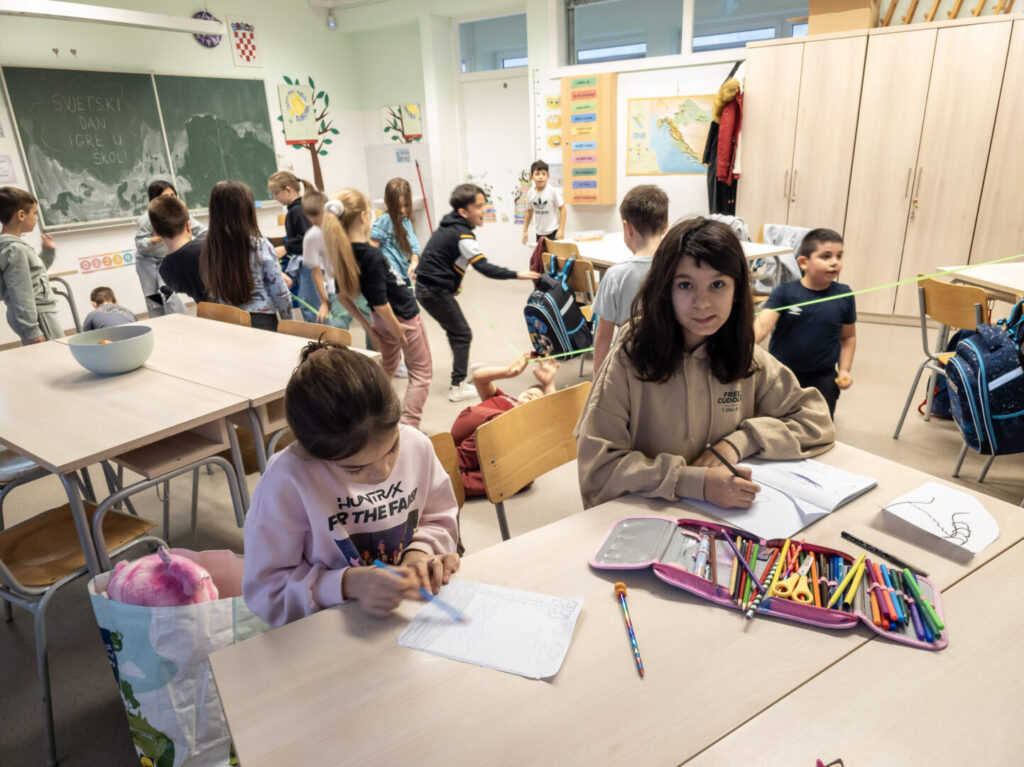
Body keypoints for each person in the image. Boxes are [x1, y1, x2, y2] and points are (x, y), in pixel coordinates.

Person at [575, 217, 835, 510]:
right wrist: (694, 482)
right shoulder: (630, 356)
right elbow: (597, 469)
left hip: (723, 519)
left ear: (737, 291)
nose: (702, 303)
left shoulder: (743, 355)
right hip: (649, 515)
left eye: (718, 284)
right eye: (685, 285)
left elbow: (815, 420)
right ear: (665, 289)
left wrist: (740, 442)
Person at [242, 341, 460, 627]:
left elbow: (439, 519)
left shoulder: (416, 445)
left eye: (393, 448)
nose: (383, 473)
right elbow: (266, 592)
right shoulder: (288, 478)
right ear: (312, 451)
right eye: (355, 469)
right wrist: (346, 584)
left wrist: (420, 552)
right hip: (327, 630)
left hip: (404, 620)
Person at [416, 183, 540, 402]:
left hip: (430, 288)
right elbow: (483, 267)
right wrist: (517, 274)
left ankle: (461, 372)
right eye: (479, 206)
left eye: (485, 204)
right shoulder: (463, 235)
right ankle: (457, 386)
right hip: (433, 291)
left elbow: (445, 259)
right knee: (462, 334)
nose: (485, 210)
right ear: (463, 212)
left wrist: (453, 283)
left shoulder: (450, 226)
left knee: (456, 331)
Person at [323, 188, 432, 427]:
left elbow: (342, 296)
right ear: (363, 217)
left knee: (387, 368)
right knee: (421, 374)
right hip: (402, 320)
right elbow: (381, 303)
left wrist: (369, 327)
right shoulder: (370, 255)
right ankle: (409, 427)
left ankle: (376, 418)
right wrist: (397, 328)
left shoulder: (345, 253)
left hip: (381, 322)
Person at [753, 228, 856, 419]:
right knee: (773, 422)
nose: (835, 262)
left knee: (819, 424)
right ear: (803, 262)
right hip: (782, 374)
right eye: (826, 256)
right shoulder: (785, 292)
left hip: (823, 377)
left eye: (839, 256)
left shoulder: (845, 295)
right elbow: (761, 327)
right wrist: (743, 348)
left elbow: (848, 337)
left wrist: (844, 370)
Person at [451, 355, 559, 497]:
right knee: (503, 421)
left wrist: (548, 384)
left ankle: (452, 485)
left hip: (488, 449)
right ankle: (451, 463)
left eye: (536, 397)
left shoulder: (530, 424)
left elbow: (554, 414)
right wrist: (508, 371)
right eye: (528, 392)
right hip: (474, 423)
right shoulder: (505, 399)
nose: (530, 395)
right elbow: (479, 378)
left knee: (523, 476)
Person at [591, 184, 669, 376]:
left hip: (627, 369)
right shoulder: (678, 269)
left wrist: (597, 380)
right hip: (671, 366)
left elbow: (603, 335)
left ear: (627, 228)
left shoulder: (615, 276)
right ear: (666, 226)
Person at [200, 180, 292, 331]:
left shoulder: (210, 247)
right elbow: (280, 292)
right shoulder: (261, 246)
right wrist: (288, 322)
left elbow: (211, 287)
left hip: (226, 321)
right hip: (261, 322)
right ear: (247, 210)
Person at [134, 180, 207, 317]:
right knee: (154, 299)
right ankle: (159, 323)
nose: (171, 199)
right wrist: (154, 240)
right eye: (165, 197)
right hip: (148, 262)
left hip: (166, 259)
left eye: (173, 195)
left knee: (169, 295)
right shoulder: (147, 219)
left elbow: (202, 230)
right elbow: (139, 243)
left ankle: (181, 322)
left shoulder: (181, 213)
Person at [0, 186, 60, 344]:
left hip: (38, 314)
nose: (37, 218)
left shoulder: (15, 247)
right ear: (21, 215)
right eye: (34, 213)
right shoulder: (15, 249)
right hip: (38, 315)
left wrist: (48, 253)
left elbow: (35, 274)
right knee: (54, 355)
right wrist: (31, 330)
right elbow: (21, 292)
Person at [149, 194, 208, 305]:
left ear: (155, 232)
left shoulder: (165, 270)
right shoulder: (209, 244)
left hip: (212, 313)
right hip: (241, 310)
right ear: (188, 225)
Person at [268, 170, 312, 301]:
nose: (275, 197)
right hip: (306, 262)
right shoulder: (296, 209)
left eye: (276, 193)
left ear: (288, 190)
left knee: (310, 303)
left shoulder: (298, 210)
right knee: (307, 299)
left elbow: (308, 238)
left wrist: (286, 248)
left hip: (309, 262)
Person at [370, 177, 420, 286]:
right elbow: (371, 250)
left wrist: (414, 262)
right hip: (389, 277)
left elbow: (414, 248)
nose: (402, 210)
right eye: (398, 206)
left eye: (406, 205)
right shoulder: (384, 220)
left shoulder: (406, 221)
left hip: (403, 275)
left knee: (409, 295)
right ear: (387, 201)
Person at [520, 160, 565, 244]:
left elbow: (562, 209)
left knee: (554, 253)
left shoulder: (552, 191)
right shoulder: (530, 193)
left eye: (543, 174)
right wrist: (525, 231)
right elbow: (529, 212)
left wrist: (561, 229)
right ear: (531, 177)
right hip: (539, 233)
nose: (541, 177)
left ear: (548, 176)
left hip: (554, 232)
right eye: (537, 174)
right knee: (541, 253)